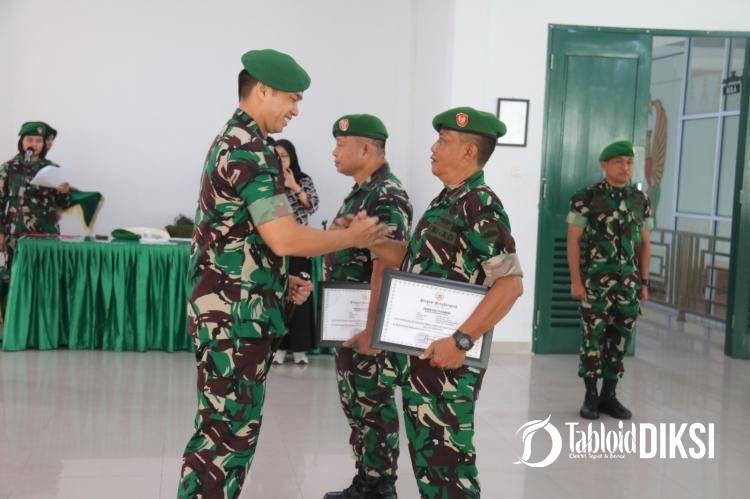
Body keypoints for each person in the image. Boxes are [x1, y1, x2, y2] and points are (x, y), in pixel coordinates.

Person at [178, 49, 388, 499]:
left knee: (224, 431)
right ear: (263, 90)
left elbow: (250, 238)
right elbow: (285, 238)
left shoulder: (239, 141)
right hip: (234, 315)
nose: (295, 110)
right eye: (292, 99)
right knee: (226, 438)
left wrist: (275, 279)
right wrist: (351, 239)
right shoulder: (249, 151)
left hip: (233, 304)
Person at [366, 107, 524, 498]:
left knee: (449, 472)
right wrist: (364, 241)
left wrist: (462, 341)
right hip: (424, 360)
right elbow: (424, 259)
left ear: (469, 152)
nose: (433, 148)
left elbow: (510, 284)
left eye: (444, 141)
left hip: (448, 362)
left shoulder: (480, 204)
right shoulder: (450, 200)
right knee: (431, 467)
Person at [323, 114, 412, 499]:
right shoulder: (363, 191)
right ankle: (367, 478)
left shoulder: (386, 194)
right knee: (357, 403)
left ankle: (380, 486)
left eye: (341, 145)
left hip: (367, 323)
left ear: (366, 149)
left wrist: (374, 330)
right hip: (351, 319)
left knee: (372, 403)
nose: (335, 151)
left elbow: (389, 262)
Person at [566, 140, 653, 420]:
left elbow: (645, 244)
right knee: (592, 338)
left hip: (628, 285)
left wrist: (644, 282)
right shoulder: (586, 198)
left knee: (620, 339)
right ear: (604, 165)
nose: (625, 167)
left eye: (629, 162)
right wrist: (576, 281)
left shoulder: (640, 200)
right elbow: (573, 241)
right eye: (618, 162)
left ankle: (609, 395)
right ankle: (590, 396)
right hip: (594, 283)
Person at [0, 122, 71, 310]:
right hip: (15, 233)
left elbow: (63, 206)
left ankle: (41, 327)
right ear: (22, 142)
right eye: (29, 139)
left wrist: (64, 193)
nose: (34, 144)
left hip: (46, 233)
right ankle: (13, 326)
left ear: (44, 144)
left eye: (38, 140)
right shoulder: (8, 168)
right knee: (14, 277)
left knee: (46, 278)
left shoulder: (53, 169)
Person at [272, 138, 320, 365]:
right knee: (280, 298)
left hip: (300, 246)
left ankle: (301, 348)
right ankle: (280, 347)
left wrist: (294, 186)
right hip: (279, 247)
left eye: (284, 155)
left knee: (301, 298)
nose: (281, 159)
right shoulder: (268, 180)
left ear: (292, 157)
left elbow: (312, 204)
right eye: (277, 155)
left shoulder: (303, 179)